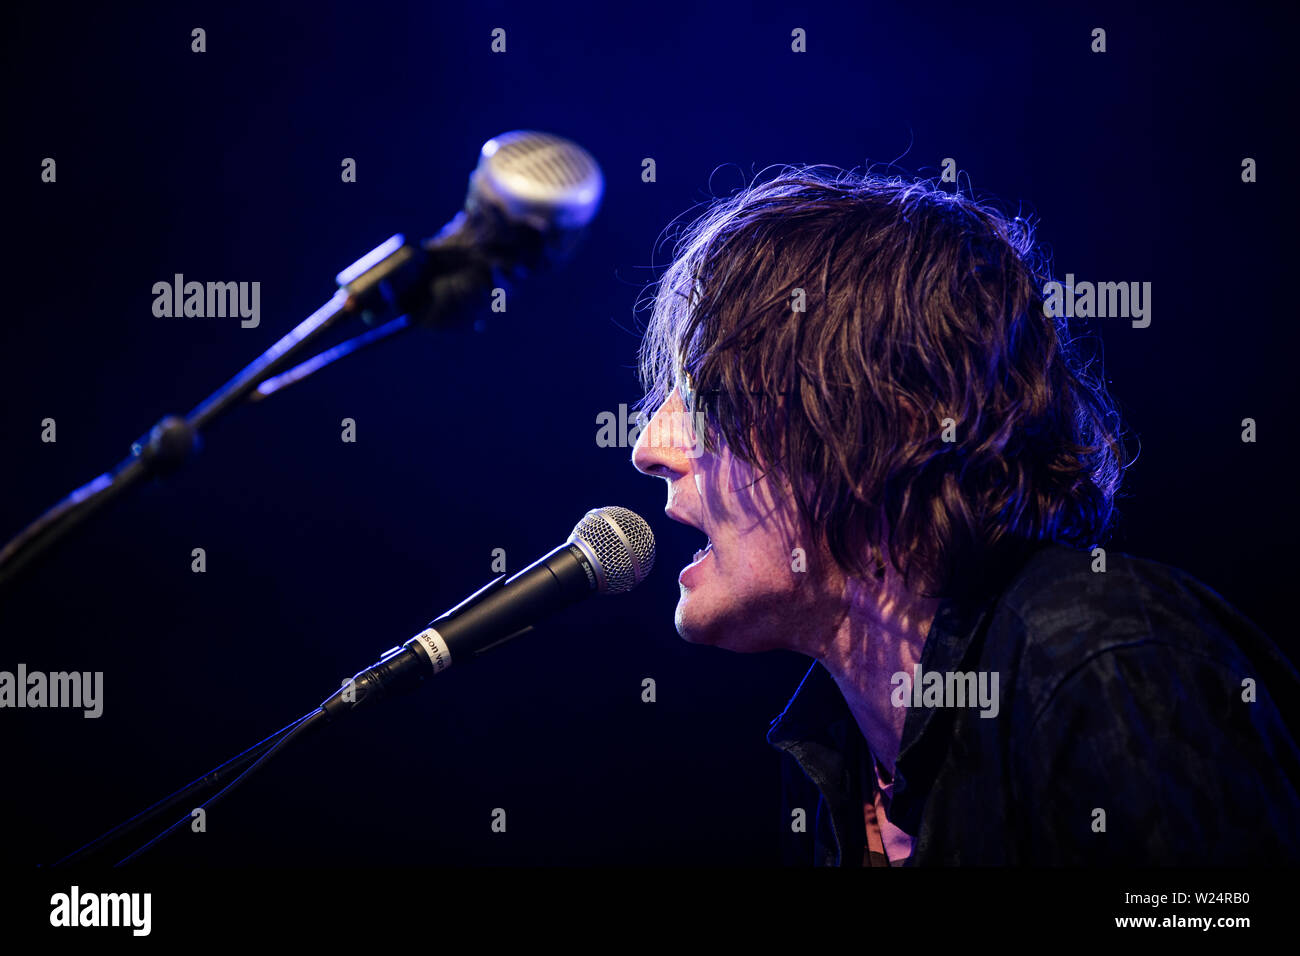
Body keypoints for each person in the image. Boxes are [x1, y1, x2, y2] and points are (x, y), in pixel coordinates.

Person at [630, 167, 1300, 865]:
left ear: (877, 419)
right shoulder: (831, 756)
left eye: (700, 396)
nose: (649, 447)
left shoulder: (1103, 654)